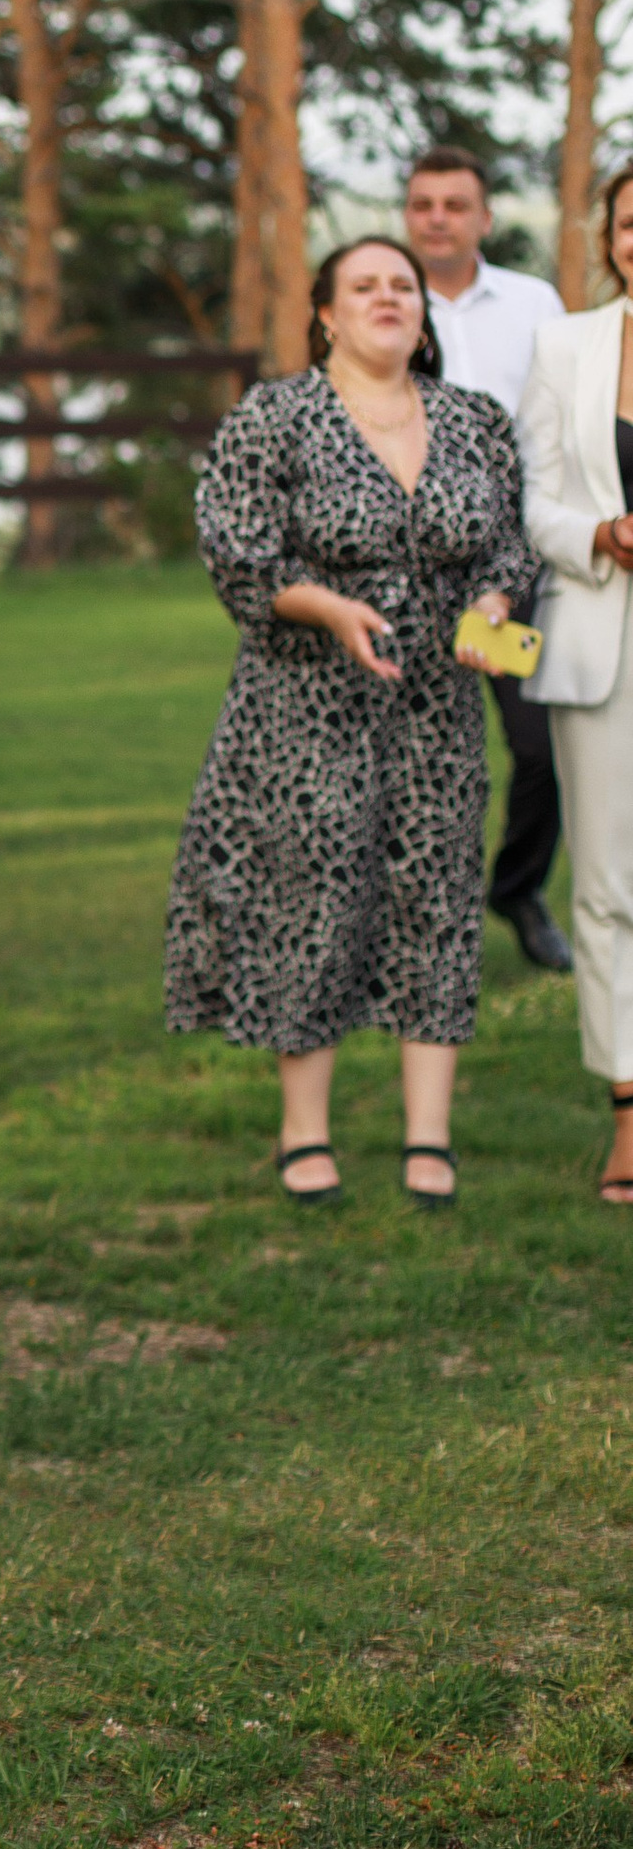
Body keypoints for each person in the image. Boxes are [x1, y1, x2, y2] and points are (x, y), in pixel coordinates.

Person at [165, 236, 532, 1207]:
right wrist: (329, 607)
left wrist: (492, 606)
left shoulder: (474, 419)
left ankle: (429, 1136)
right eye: (363, 286)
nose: (387, 298)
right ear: (325, 314)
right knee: (311, 903)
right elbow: (237, 553)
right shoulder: (273, 417)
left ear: (423, 313)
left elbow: (507, 547)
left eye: (402, 286)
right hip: (304, 708)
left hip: (438, 709)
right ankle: (305, 1132)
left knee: (437, 903)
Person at [405, 147, 569, 974]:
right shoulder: (385, 298)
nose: (437, 218)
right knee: (418, 762)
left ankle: (518, 889)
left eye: (454, 205)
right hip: (410, 573)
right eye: (423, 204)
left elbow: (564, 422)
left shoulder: (535, 304)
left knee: (543, 750)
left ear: (485, 218)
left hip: (515, 568)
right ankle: (419, 929)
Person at [516, 160, 633, 1204]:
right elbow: (534, 500)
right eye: (631, 224)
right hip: (603, 646)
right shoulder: (566, 345)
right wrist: (599, 535)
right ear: (610, 239)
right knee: (605, 889)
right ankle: (629, 1110)